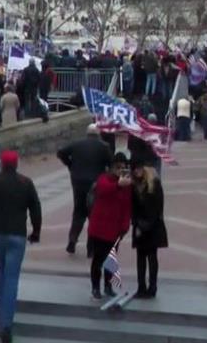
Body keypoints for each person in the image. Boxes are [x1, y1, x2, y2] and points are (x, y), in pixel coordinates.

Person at [0, 150, 42, 343]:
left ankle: (0, 310)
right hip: (17, 234)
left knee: (2, 271)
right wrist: (36, 232)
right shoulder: (26, 183)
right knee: (11, 277)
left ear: (1, 164)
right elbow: (36, 208)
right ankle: (5, 324)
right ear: (17, 164)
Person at [56, 124, 112, 255]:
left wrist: (70, 165)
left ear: (87, 133)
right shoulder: (104, 147)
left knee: (79, 211)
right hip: (95, 184)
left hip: (78, 182)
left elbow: (61, 153)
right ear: (98, 134)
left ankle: (72, 239)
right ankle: (91, 247)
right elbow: (111, 164)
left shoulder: (77, 144)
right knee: (94, 215)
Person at [87, 153, 133, 299]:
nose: (120, 170)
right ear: (111, 168)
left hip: (115, 230)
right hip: (99, 228)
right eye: (118, 167)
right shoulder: (104, 179)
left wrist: (125, 225)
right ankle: (95, 287)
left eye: (123, 167)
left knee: (111, 260)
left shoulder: (127, 185)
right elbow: (104, 190)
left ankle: (108, 286)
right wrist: (118, 185)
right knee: (98, 259)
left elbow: (127, 206)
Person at [130, 162, 167, 299]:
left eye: (139, 168)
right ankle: (141, 287)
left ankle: (152, 287)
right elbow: (132, 208)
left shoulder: (154, 184)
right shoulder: (133, 185)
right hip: (139, 226)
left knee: (152, 257)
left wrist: (145, 226)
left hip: (153, 226)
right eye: (134, 169)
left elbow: (158, 208)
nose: (136, 171)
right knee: (140, 258)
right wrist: (137, 224)